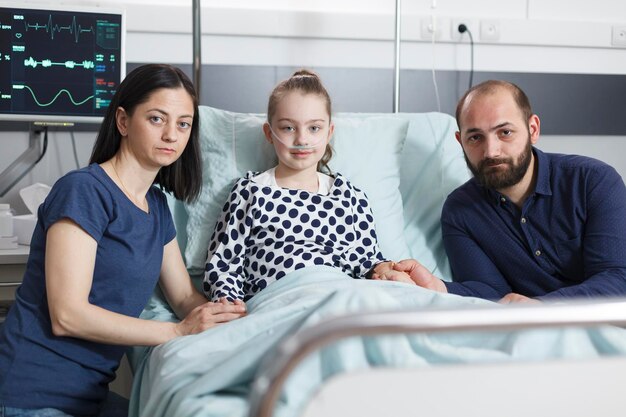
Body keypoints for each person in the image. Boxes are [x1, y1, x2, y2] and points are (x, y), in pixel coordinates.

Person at [0, 64, 246, 417]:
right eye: (157, 119)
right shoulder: (84, 190)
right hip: (32, 393)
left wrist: (237, 316)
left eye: (183, 124)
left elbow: (183, 297)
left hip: (87, 397)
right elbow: (67, 315)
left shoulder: (157, 206)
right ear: (123, 121)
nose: (171, 136)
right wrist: (176, 332)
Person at [386, 80, 626, 303]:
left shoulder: (593, 182)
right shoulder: (460, 211)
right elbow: (489, 292)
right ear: (460, 142)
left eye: (505, 132)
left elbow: (617, 279)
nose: (491, 151)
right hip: (528, 335)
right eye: (476, 137)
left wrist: (541, 307)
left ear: (533, 129)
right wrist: (438, 288)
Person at [203, 69, 405, 302]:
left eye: (314, 128)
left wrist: (385, 272)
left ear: (329, 133)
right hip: (277, 301)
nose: (302, 139)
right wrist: (229, 305)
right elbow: (224, 266)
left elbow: (366, 261)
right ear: (269, 133)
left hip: (340, 297)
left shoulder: (350, 197)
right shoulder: (250, 192)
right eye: (288, 128)